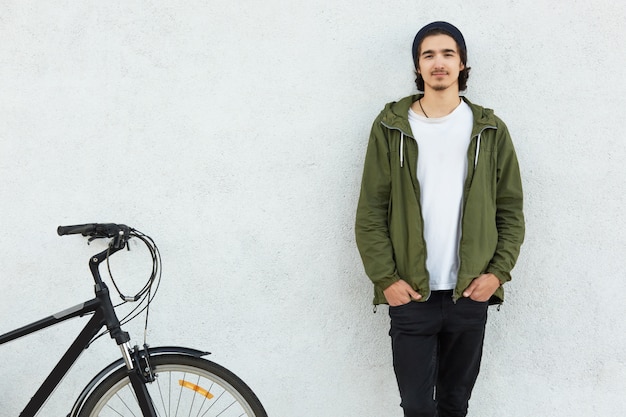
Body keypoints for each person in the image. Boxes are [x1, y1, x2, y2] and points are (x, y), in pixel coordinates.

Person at [355, 21, 525, 417]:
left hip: (469, 294)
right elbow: (370, 212)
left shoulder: (490, 129)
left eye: (448, 53)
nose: (438, 63)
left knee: (454, 404)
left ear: (462, 63)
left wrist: (495, 275)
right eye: (428, 54)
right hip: (412, 294)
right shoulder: (390, 128)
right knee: (417, 407)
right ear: (418, 66)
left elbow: (510, 211)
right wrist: (387, 280)